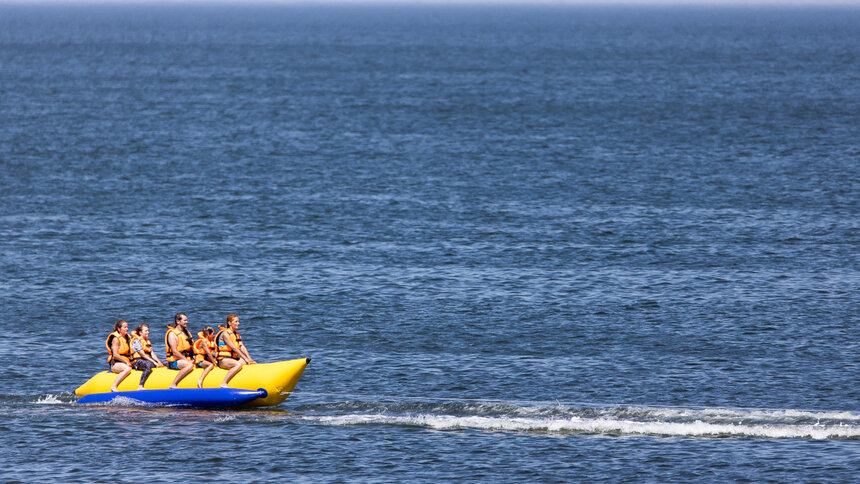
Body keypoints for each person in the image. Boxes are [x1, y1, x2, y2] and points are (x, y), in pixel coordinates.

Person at [215, 314, 256, 388]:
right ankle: (223, 383)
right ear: (229, 323)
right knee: (238, 365)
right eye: (236, 321)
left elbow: (242, 347)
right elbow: (234, 348)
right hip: (223, 360)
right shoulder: (225, 334)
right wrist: (245, 358)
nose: (238, 323)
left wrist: (249, 359)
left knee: (250, 363)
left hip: (233, 358)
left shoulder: (236, 334)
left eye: (238, 321)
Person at [164, 312, 195, 389]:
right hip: (174, 362)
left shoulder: (186, 333)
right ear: (178, 321)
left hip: (186, 359)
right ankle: (173, 384)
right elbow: (175, 352)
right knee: (189, 365)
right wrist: (187, 361)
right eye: (185, 320)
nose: (186, 322)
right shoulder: (172, 334)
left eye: (187, 320)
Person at [129, 323, 164, 390]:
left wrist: (159, 362)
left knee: (166, 363)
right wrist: (154, 362)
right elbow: (143, 354)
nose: (148, 332)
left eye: (148, 330)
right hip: (137, 362)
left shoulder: (147, 341)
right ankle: (140, 385)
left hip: (146, 360)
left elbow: (152, 353)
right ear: (140, 332)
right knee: (148, 365)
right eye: (146, 331)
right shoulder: (136, 341)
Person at [105, 319, 133, 392]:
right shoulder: (116, 339)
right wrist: (126, 362)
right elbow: (115, 354)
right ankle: (114, 386)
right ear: (119, 329)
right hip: (115, 364)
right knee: (127, 369)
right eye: (125, 327)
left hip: (125, 362)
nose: (127, 329)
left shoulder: (127, 338)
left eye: (127, 327)